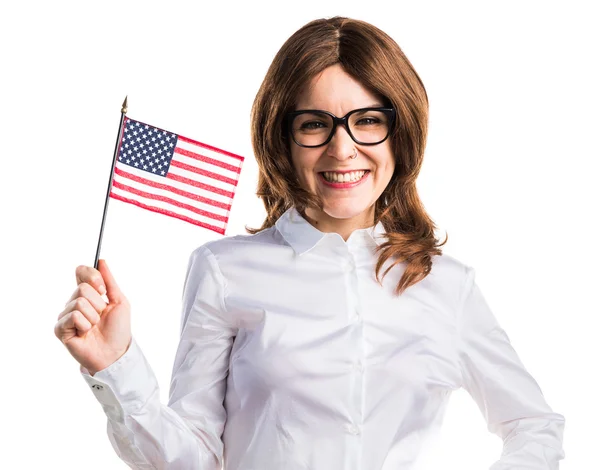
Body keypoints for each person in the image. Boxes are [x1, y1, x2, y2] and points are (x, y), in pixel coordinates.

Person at [54, 16, 566, 470]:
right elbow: (193, 460)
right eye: (315, 124)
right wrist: (115, 365)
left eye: (367, 121)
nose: (343, 149)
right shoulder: (223, 271)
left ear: (400, 131)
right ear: (283, 137)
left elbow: (534, 426)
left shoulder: (448, 286)